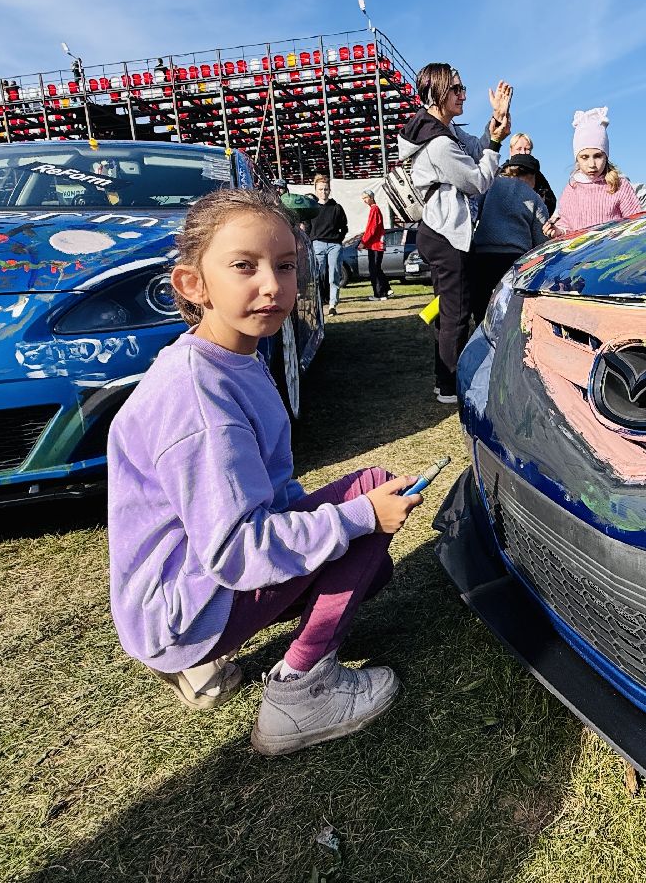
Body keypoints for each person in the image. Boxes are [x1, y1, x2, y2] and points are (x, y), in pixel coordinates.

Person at [106, 188, 422, 755]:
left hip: (171, 595)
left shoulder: (227, 358)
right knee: (369, 503)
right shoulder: (200, 401)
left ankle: (199, 664)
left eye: (285, 266)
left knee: (369, 564)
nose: (272, 285)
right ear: (192, 285)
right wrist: (358, 518)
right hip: (181, 606)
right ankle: (300, 695)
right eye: (243, 266)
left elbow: (263, 494)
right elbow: (235, 550)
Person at [399, 63, 511, 404]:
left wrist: (496, 126)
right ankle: (450, 387)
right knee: (455, 314)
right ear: (437, 93)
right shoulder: (438, 144)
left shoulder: (442, 131)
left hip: (439, 233)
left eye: (462, 88)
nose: (463, 95)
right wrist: (494, 150)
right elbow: (476, 181)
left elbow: (477, 149)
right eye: (456, 90)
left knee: (448, 310)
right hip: (446, 236)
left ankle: (443, 380)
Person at [469, 153, 550, 316]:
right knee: (511, 309)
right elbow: (542, 239)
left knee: (482, 306)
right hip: (515, 259)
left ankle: (482, 334)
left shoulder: (490, 186)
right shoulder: (533, 197)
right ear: (532, 177)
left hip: (482, 256)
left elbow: (473, 211)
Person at [552, 106, 643, 235]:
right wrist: (557, 231)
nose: (592, 164)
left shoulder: (619, 185)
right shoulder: (572, 188)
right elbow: (566, 226)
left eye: (598, 156)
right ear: (577, 159)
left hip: (614, 251)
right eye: (584, 157)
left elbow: (636, 223)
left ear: (606, 155)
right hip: (582, 253)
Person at [307, 173, 347, 315]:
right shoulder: (312, 208)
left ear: (329, 190)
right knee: (317, 275)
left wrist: (338, 239)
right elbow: (307, 227)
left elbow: (344, 226)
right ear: (316, 190)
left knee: (333, 276)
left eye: (326, 189)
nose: (323, 192)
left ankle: (332, 305)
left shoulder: (337, 207)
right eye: (320, 189)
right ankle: (317, 303)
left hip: (334, 245)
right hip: (317, 244)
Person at [509, 131, 556, 215]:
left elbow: (551, 202)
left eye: (527, 149)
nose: (523, 152)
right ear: (511, 150)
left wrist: (541, 202)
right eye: (519, 149)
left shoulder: (537, 175)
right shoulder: (502, 173)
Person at [359, 189, 390, 300]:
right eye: (363, 198)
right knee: (377, 268)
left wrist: (363, 242)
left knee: (374, 269)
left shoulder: (374, 209)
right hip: (376, 244)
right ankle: (386, 290)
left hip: (375, 244)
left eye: (366, 198)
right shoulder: (375, 209)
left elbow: (371, 229)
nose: (364, 200)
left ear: (371, 197)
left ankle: (379, 294)